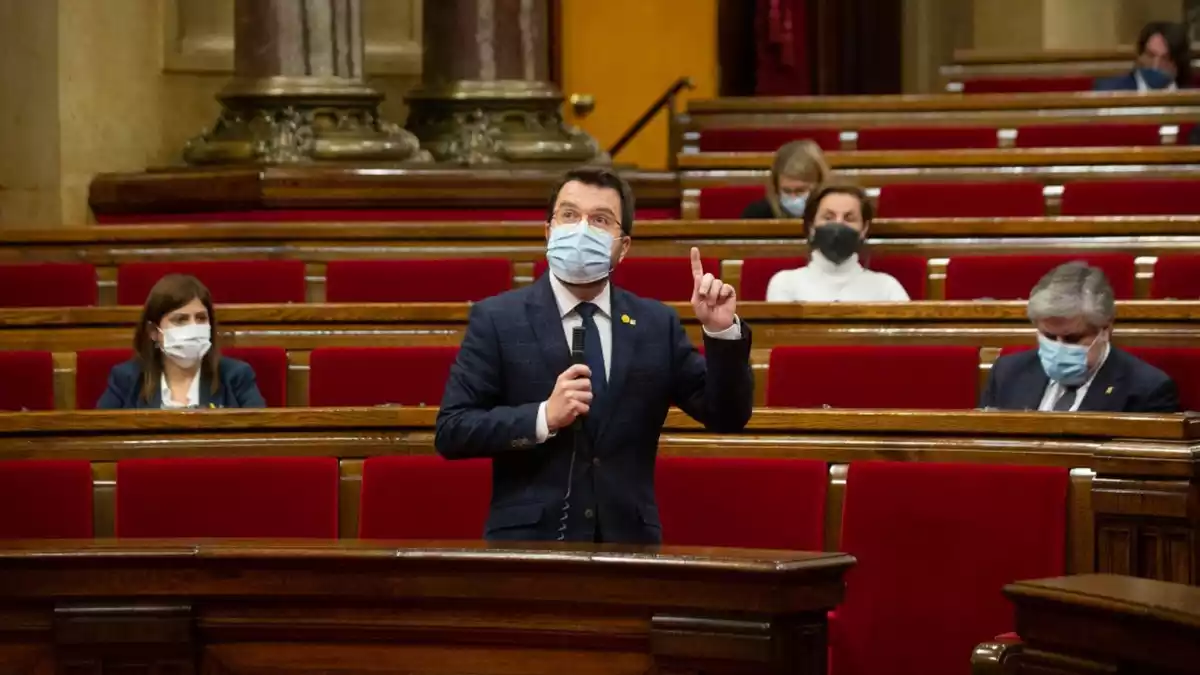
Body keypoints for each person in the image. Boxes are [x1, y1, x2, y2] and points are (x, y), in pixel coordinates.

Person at [435, 167, 754, 544]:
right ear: (548, 231)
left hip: (629, 545)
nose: (581, 229)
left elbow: (728, 416)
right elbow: (453, 431)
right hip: (527, 548)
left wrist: (720, 331)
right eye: (569, 215)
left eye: (600, 219)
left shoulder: (656, 324)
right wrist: (542, 417)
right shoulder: (498, 319)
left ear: (623, 246)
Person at [980, 262, 1179, 413]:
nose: (1058, 348)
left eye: (1072, 339)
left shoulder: (1147, 389)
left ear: (1105, 330)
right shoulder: (1007, 373)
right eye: (1049, 336)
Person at [97, 274, 265, 409]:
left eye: (201, 318)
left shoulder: (235, 376)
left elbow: (259, 438)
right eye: (180, 320)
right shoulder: (127, 379)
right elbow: (99, 439)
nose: (193, 328)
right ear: (154, 332)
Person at [765, 183, 909, 302]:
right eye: (828, 217)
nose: (838, 224)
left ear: (864, 229)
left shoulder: (887, 288)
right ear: (811, 227)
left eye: (849, 218)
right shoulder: (785, 284)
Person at [741, 140, 831, 219]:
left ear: (819, 185)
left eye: (800, 190)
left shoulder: (835, 215)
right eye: (786, 191)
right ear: (776, 187)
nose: (793, 198)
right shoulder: (757, 215)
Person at [1094, 22, 1191, 91]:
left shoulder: (1192, 98)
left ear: (1178, 63)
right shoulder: (1108, 91)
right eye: (1150, 55)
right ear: (1139, 55)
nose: (1155, 65)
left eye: (1165, 59)